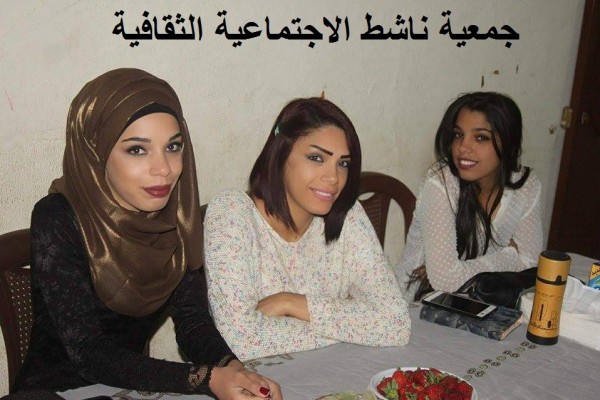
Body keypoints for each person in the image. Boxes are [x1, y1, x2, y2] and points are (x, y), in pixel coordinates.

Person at [13, 68, 281, 400]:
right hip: (54, 393)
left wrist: (234, 370)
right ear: (96, 152)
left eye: (173, 146)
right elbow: (88, 351)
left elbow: (193, 323)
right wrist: (206, 379)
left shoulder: (174, 217)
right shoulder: (58, 217)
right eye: (137, 150)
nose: (164, 169)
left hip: (128, 390)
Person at [204, 97, 411, 361]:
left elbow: (396, 323)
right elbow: (241, 340)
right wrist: (356, 327)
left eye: (343, 163)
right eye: (316, 158)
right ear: (280, 155)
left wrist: (292, 302)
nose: (333, 178)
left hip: (330, 372)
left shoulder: (347, 214)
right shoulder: (232, 214)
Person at [398, 91, 543, 301]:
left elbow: (531, 266)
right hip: (417, 304)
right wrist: (510, 255)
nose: (463, 147)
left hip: (482, 302)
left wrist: (459, 271)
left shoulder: (525, 185)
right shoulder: (441, 184)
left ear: (508, 143)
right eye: (458, 135)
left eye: (480, 138)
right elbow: (445, 282)